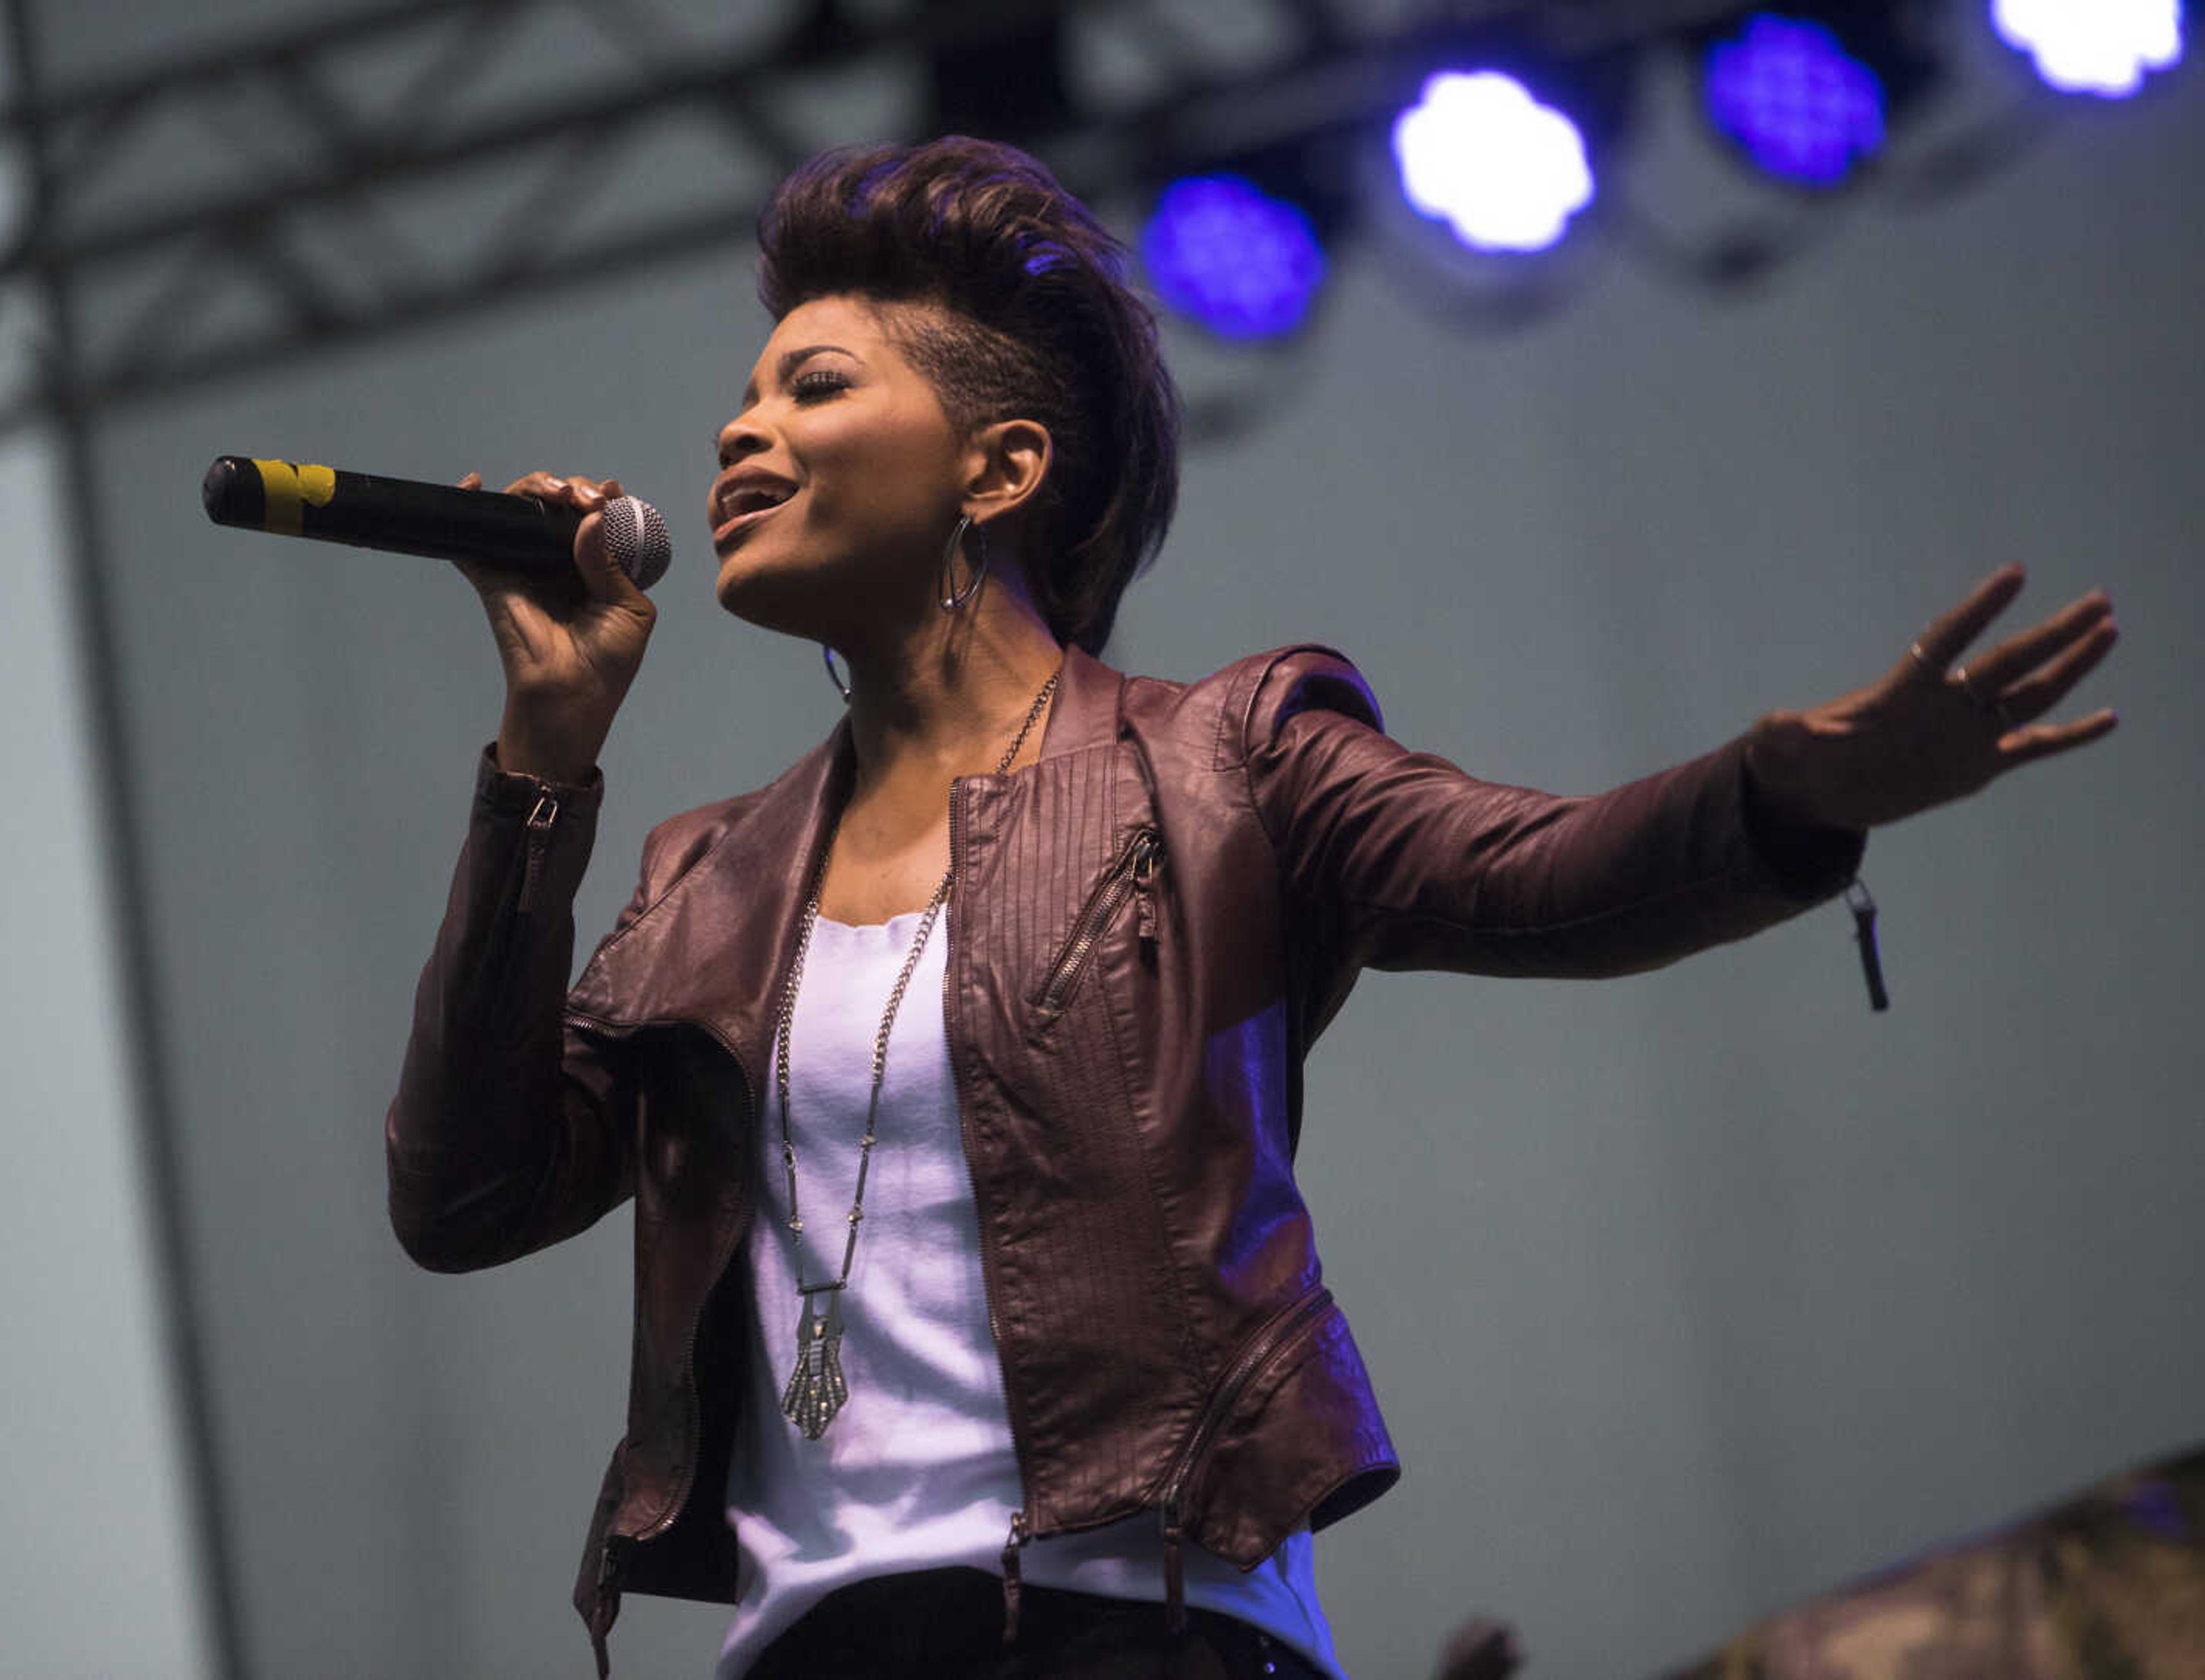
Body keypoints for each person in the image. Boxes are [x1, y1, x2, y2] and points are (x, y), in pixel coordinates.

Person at [384, 136, 2118, 1680]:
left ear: (997, 469)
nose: (739, 427)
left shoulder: (1220, 761)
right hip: (811, 1644)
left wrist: (1784, 793)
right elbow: (465, 1191)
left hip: (1141, 1620)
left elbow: (1542, 875)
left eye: (815, 385)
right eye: (744, 397)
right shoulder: (707, 876)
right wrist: (547, 750)